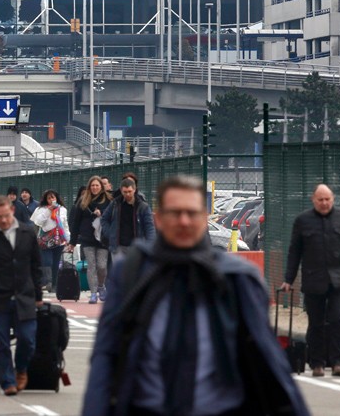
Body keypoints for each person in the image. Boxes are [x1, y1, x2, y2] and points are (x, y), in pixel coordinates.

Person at [83, 176, 310, 416]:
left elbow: (269, 360)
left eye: (191, 212)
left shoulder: (237, 280)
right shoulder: (132, 273)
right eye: (175, 212)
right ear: (158, 219)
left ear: (204, 218)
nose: (183, 221)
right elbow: (106, 355)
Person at [281, 184, 340, 378]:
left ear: (333, 199)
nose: (324, 203)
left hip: (338, 279)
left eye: (327, 199)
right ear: (313, 200)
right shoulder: (303, 221)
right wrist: (288, 279)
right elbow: (295, 251)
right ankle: (316, 363)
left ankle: (337, 362)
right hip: (313, 279)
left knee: (337, 319)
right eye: (320, 200)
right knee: (315, 323)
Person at [0, 195, 42, 396]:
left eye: (5, 216)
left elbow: (35, 266)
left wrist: (38, 295)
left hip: (25, 295)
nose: (2, 220)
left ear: (12, 211)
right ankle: (7, 381)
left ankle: (21, 368)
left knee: (28, 340)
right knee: (1, 343)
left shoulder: (27, 233)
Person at [67, 175, 112, 304]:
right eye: (92, 185)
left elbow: (112, 218)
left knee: (102, 266)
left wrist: (101, 214)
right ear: (89, 187)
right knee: (91, 265)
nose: (95, 188)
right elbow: (76, 222)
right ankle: (93, 293)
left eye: (97, 185)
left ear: (101, 187)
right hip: (87, 238)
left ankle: (101, 286)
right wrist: (73, 242)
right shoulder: (83, 201)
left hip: (103, 238)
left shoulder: (108, 200)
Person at [101, 177, 156, 262]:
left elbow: (149, 226)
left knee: (135, 274)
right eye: (125, 192)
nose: (127, 194)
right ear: (121, 190)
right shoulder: (115, 203)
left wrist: (150, 245)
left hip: (136, 247)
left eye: (129, 191)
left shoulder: (143, 207)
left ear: (134, 190)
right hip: (118, 246)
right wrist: (110, 233)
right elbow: (104, 219)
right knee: (118, 274)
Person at [30, 190, 70, 293]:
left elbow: (65, 224)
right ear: (45, 199)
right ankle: (46, 282)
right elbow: (37, 222)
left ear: (56, 198)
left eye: (53, 197)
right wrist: (48, 211)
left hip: (59, 239)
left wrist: (68, 239)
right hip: (45, 240)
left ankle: (54, 285)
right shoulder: (41, 209)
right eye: (49, 198)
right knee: (47, 261)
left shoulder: (63, 209)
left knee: (56, 263)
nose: (51, 200)